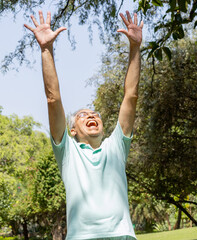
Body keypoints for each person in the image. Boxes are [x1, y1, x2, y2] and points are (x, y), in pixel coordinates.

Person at [24, 10, 142, 239]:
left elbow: (131, 96)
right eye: (82, 115)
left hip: (122, 235)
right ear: (73, 131)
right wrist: (46, 49)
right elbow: (53, 99)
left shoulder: (115, 147)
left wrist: (135, 48)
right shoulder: (67, 152)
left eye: (95, 114)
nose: (92, 116)